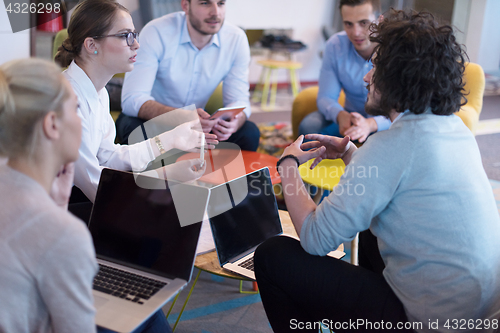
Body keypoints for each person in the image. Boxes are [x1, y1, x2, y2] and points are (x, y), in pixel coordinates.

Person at [255, 10, 500, 332]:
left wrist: (287, 166)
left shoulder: (390, 146)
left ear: (399, 78)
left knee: (273, 255)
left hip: (435, 321)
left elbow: (315, 240)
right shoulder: (453, 128)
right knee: (373, 225)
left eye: (376, 67)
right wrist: (350, 153)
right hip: (480, 309)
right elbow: (397, 179)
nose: (366, 77)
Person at [55, 0, 216, 205]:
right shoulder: (68, 100)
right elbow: (96, 187)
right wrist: (165, 177)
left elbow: (107, 157)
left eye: (134, 34)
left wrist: (170, 140)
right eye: (124, 36)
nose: (136, 44)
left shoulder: (98, 92)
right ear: (91, 45)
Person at [0, 58, 97, 332]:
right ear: (52, 124)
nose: (81, 121)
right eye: (76, 109)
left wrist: (58, 207)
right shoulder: (65, 235)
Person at [118, 0, 260, 151]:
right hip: (155, 122)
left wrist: (233, 122)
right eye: (205, 3)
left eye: (221, 3)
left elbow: (239, 100)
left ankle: (201, 167)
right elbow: (132, 100)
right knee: (133, 131)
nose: (215, 12)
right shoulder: (156, 31)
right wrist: (183, 117)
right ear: (186, 6)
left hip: (200, 125)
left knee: (249, 133)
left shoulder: (236, 39)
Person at [299, 0, 391, 143]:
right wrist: (340, 115)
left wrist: (371, 124)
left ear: (380, 20)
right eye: (348, 24)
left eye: (364, 23)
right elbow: (325, 96)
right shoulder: (335, 45)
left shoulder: (395, 47)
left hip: (385, 122)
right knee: (309, 126)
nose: (356, 33)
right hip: (349, 117)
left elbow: (407, 109)